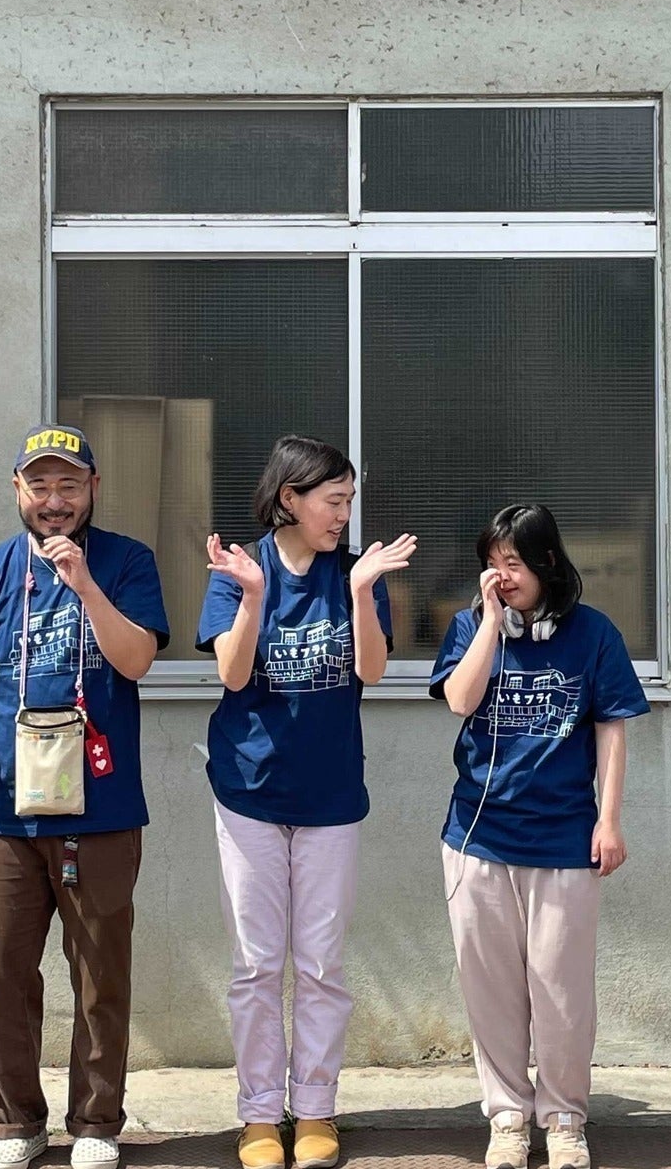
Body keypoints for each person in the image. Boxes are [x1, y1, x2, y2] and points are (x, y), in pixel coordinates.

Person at [0, 424, 169, 1169]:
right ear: (18, 491)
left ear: (93, 487)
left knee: (100, 974)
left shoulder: (127, 563)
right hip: (8, 809)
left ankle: (96, 1124)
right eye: (40, 486)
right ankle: (16, 1124)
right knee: (0, 972)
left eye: (69, 484)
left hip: (103, 808)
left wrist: (85, 585)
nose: (54, 500)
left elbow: (136, 660)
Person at [196, 435, 416, 1169]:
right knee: (256, 964)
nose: (344, 515)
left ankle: (317, 1107)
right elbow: (232, 676)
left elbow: (372, 672)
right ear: (289, 498)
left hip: (331, 796)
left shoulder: (355, 574)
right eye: (333, 500)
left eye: (349, 501)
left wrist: (361, 594)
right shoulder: (240, 570)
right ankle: (260, 1115)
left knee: (322, 963)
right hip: (249, 792)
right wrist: (253, 598)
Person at [431, 504, 649, 1169]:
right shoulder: (470, 626)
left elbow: (611, 728)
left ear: (547, 562)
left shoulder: (594, 634)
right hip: (477, 837)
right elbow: (460, 700)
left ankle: (564, 1119)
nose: (502, 574)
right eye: (492, 563)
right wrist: (489, 625)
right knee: (490, 989)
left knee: (561, 990)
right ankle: (506, 1116)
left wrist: (609, 820)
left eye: (515, 562)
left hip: (563, 841)